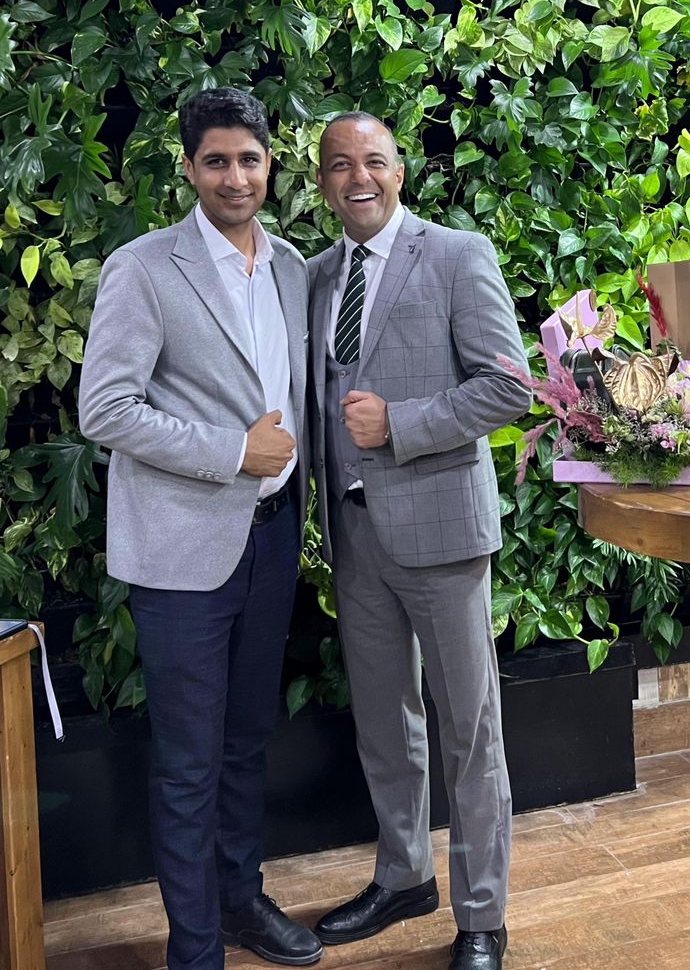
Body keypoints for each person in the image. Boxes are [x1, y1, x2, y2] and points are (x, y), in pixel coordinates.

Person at [78, 88, 323, 970]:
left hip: (273, 536)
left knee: (247, 742)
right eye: (215, 161)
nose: (234, 177)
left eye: (248, 159)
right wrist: (232, 452)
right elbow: (105, 409)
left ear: (270, 165)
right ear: (188, 168)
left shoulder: (293, 268)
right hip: (182, 550)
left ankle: (240, 902)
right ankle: (195, 951)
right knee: (188, 764)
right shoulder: (143, 268)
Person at [307, 112, 529, 970]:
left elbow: (508, 388)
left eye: (373, 161)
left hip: (441, 531)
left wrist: (400, 423)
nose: (357, 177)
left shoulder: (457, 254)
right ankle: (402, 877)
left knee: (469, 731)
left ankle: (482, 915)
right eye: (339, 165)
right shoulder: (316, 277)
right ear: (322, 183)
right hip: (354, 534)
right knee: (383, 722)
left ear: (399, 173)